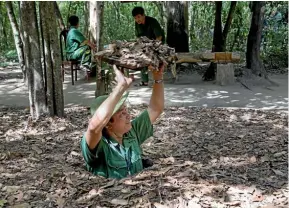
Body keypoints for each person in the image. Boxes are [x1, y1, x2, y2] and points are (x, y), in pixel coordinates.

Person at [80, 64, 165, 179]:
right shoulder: (98, 145)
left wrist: (158, 78)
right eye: (122, 113)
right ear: (108, 123)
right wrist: (120, 87)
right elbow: (94, 126)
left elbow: (155, 109)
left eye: (127, 111)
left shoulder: (132, 132)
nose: (128, 116)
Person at [132, 6, 165, 87]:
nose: (137, 20)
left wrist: (153, 48)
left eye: (139, 17)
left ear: (143, 15)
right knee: (141, 56)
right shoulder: (137, 24)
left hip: (157, 43)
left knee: (153, 57)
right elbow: (138, 37)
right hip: (145, 44)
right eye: (135, 18)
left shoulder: (153, 21)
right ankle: (144, 81)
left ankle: (156, 80)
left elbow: (159, 37)